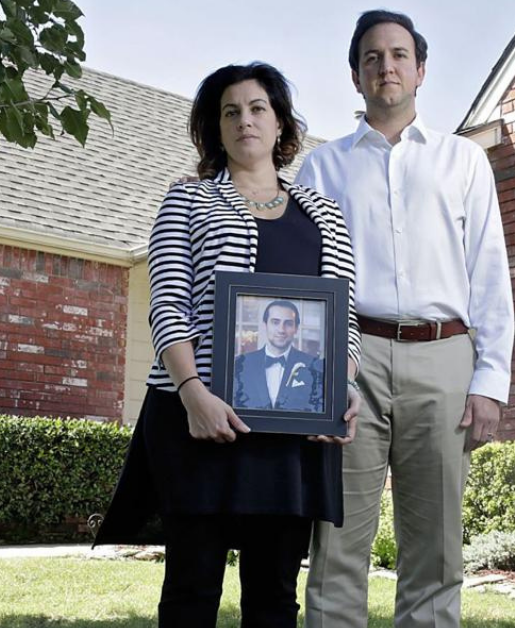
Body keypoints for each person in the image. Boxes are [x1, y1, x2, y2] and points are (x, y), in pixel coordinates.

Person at [93, 62, 363, 628]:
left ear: (281, 122)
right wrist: (193, 393)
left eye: (258, 107)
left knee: (273, 596)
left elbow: (343, 320)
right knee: (191, 591)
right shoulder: (186, 201)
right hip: (196, 422)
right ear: (215, 128)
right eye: (230, 111)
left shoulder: (325, 215)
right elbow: (168, 303)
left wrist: (340, 388)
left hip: (288, 435)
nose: (245, 120)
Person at [295, 10, 515, 628]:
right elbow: (311, 281)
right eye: (372, 57)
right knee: (337, 543)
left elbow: (489, 274)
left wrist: (489, 382)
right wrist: (318, 379)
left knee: (436, 550)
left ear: (420, 69)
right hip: (350, 359)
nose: (385, 66)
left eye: (397, 55)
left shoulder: (464, 162)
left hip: (444, 358)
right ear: (356, 75)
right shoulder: (323, 167)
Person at [233, 300, 324, 413]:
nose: (281, 330)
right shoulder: (240, 364)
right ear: (265, 325)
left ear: (296, 328)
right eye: (275, 322)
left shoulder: (315, 366)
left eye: (288, 323)